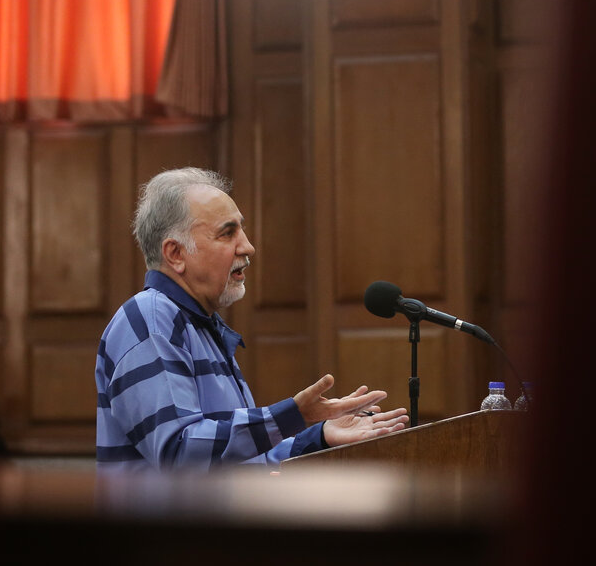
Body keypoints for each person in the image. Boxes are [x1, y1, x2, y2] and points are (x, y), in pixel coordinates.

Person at [95, 167, 409, 470]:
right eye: (227, 233)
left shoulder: (201, 325)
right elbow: (180, 452)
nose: (248, 247)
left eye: (241, 230)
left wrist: (320, 436)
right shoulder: (150, 320)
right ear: (176, 254)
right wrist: (291, 416)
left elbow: (239, 461)